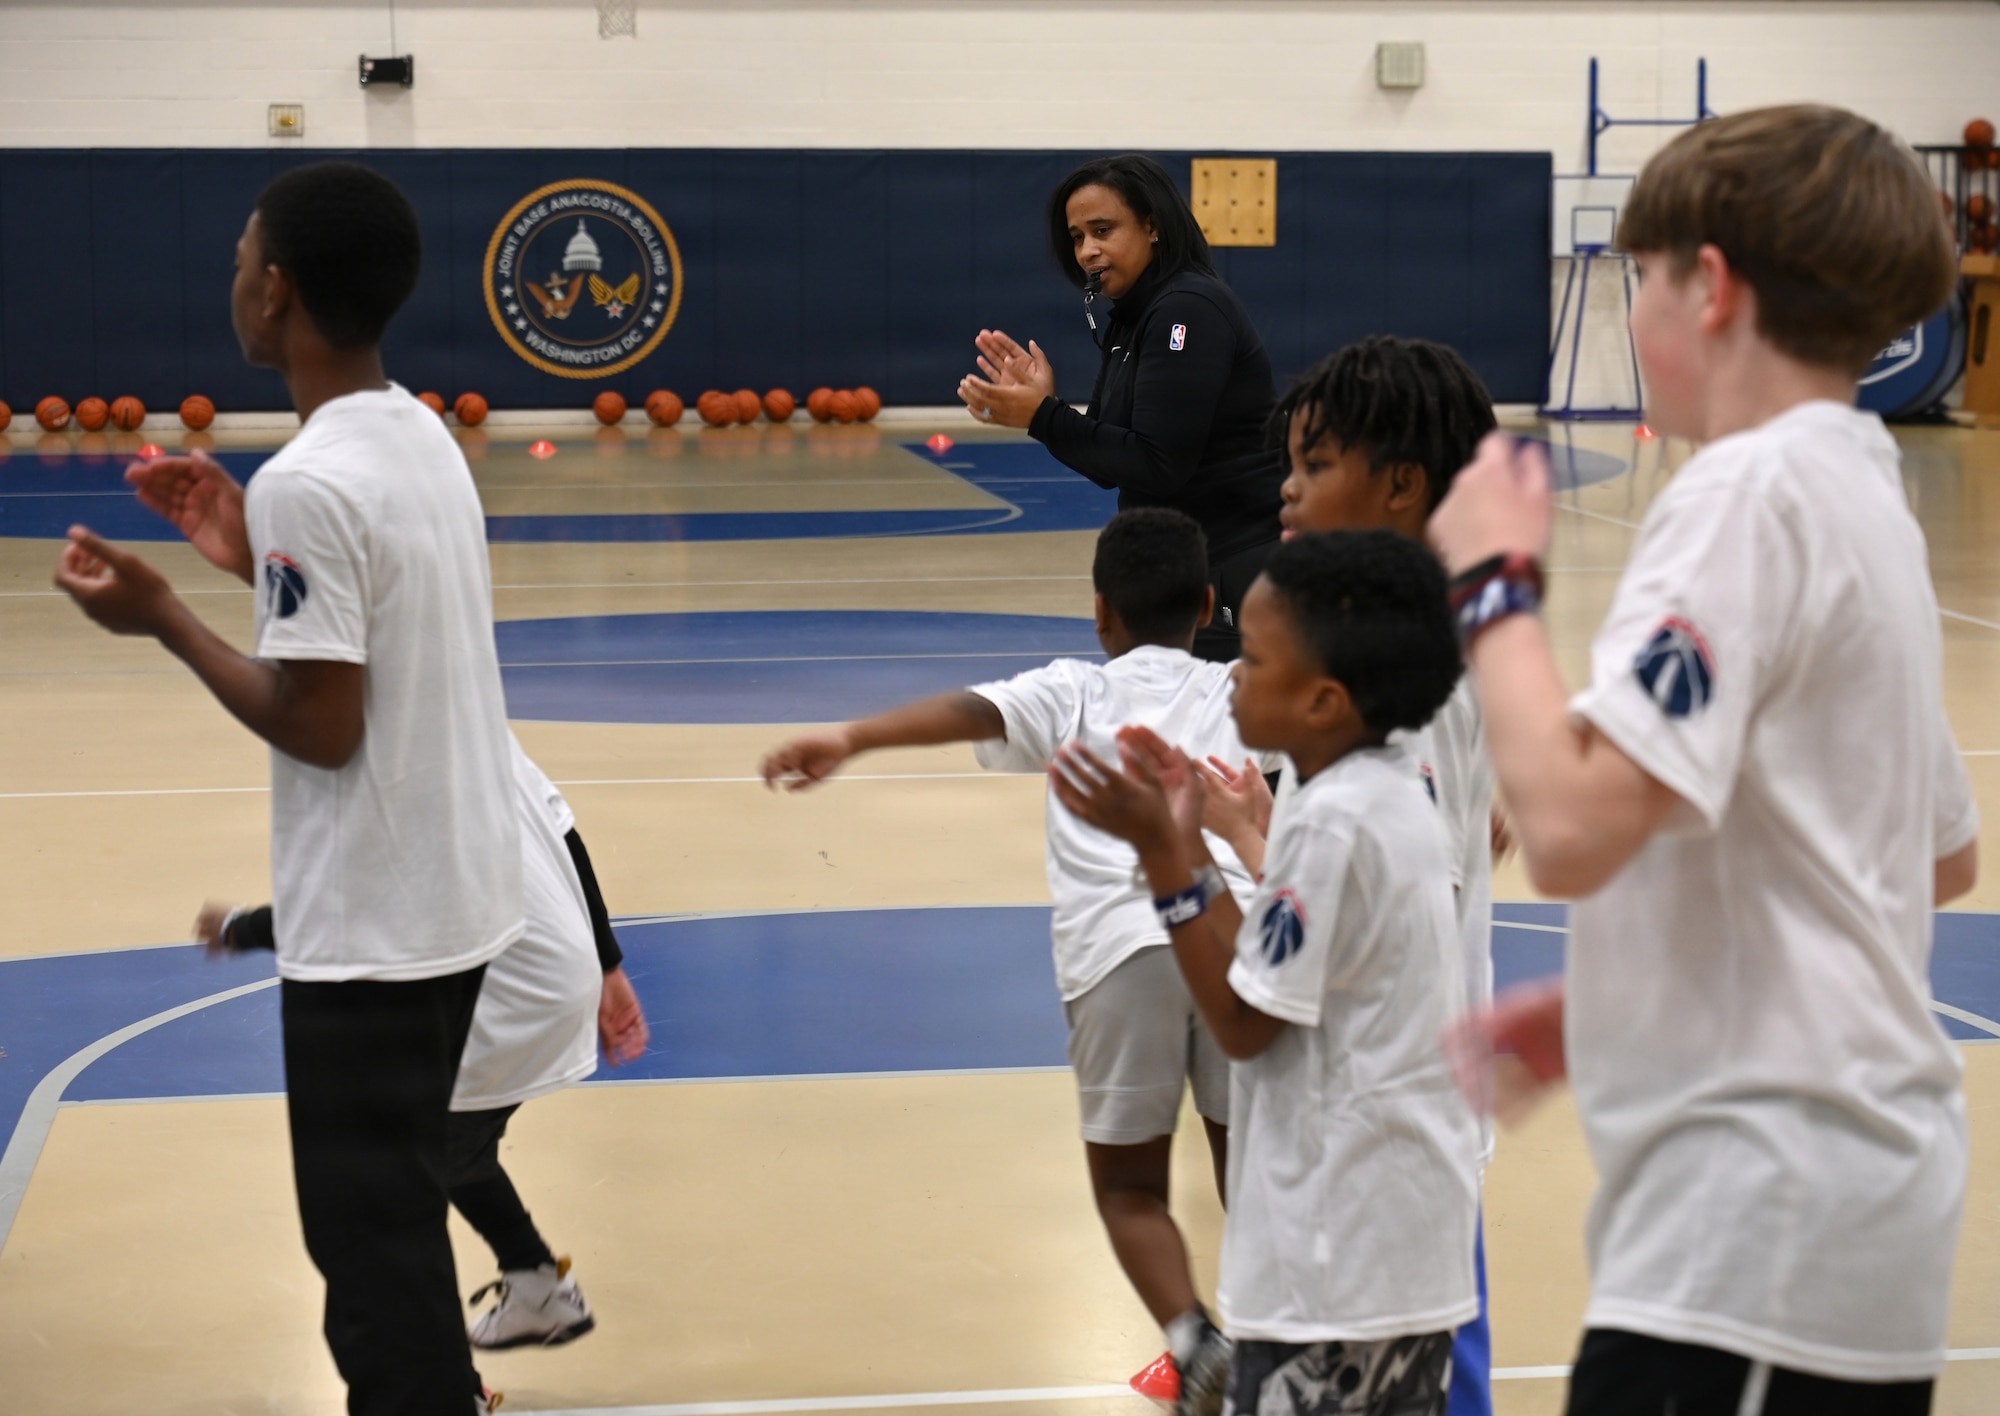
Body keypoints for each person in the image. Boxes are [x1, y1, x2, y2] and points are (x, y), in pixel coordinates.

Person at [1428, 105, 1980, 1415]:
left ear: (1711, 285)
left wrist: (1496, 586)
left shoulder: (1744, 493)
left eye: (1639, 283)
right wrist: (1640, 995)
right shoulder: (1863, 497)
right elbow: (1938, 858)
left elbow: (1564, 831)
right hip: (1840, 1219)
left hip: (1756, 1230)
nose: (1632, 319)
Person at [55, 160, 523, 1415]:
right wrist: (244, 552)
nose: (234, 284)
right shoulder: (411, 429)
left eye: (240, 263)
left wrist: (164, 619)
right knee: (399, 1231)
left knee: (372, 1273)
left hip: (376, 931)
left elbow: (320, 724)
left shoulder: (315, 479)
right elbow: (373, 618)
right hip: (456, 901)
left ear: (276, 293)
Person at [761, 509, 1280, 1416]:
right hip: (1228, 936)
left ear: (1100, 613)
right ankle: (1286, 1338)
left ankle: (1196, 1343)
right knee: (1251, 1164)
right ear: (1208, 605)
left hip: (1119, 955)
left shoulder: (1074, 691)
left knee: (1128, 1187)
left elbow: (973, 708)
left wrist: (852, 739)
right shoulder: (1240, 691)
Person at [1051, 531, 1481, 1416]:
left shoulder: (1331, 821)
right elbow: (1301, 947)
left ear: (1324, 701)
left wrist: (1170, 859)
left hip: (1333, 1263)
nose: (1231, 675)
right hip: (1399, 1249)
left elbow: (1248, 1021)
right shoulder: (1385, 795)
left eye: (1253, 659)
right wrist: (1245, 840)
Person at [1195, 337, 1501, 1416]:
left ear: (1402, 485)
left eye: (1315, 464)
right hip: (1412, 1112)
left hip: (1383, 1133)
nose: (1286, 485)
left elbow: (1392, 894)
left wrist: (1244, 851)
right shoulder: (1426, 636)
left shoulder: (1401, 683)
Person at [195, 734, 652, 1353]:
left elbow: (355, 906)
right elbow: (563, 831)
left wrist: (238, 927)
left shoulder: (388, 768)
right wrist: (605, 964)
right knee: (449, 1149)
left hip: (504, 989)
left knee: (399, 1176)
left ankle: (442, 1375)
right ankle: (536, 1288)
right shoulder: (470, 717)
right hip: (552, 968)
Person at [955, 154, 1284, 663]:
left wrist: (1042, 416)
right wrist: (1047, 409)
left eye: (1103, 230)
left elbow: (1158, 463)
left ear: (1152, 227)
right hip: (1187, 570)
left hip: (1233, 568)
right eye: (1077, 237)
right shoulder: (1135, 316)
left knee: (1214, 736)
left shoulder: (1187, 308)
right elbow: (1116, 461)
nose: (1088, 251)